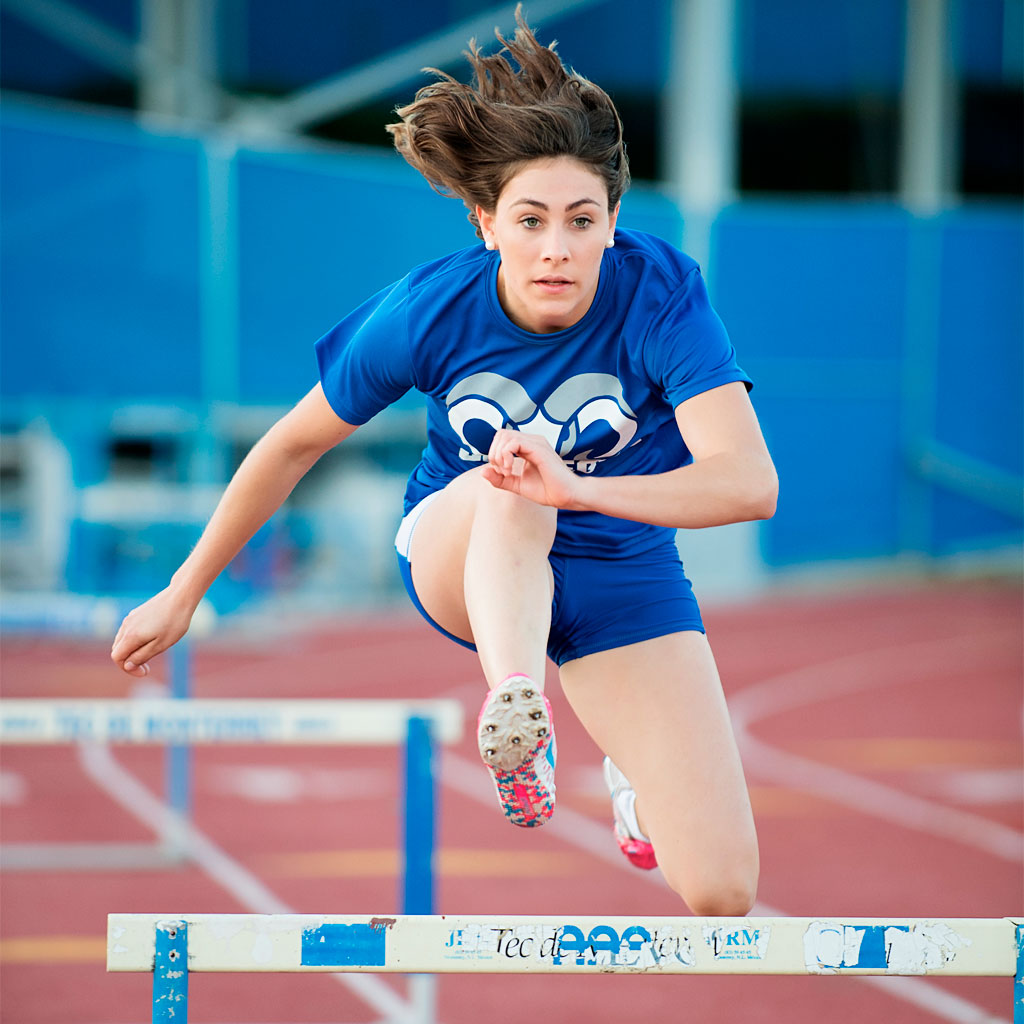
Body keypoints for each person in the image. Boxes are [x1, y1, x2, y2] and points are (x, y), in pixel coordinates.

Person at [111, 9, 777, 917]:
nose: (557, 247)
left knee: (723, 892)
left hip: (621, 568)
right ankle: (519, 711)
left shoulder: (663, 296)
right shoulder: (429, 311)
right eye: (531, 220)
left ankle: (627, 763)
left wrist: (578, 487)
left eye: (583, 221)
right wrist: (183, 591)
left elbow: (749, 482)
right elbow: (292, 443)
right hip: (465, 552)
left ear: (613, 222)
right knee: (514, 477)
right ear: (485, 224)